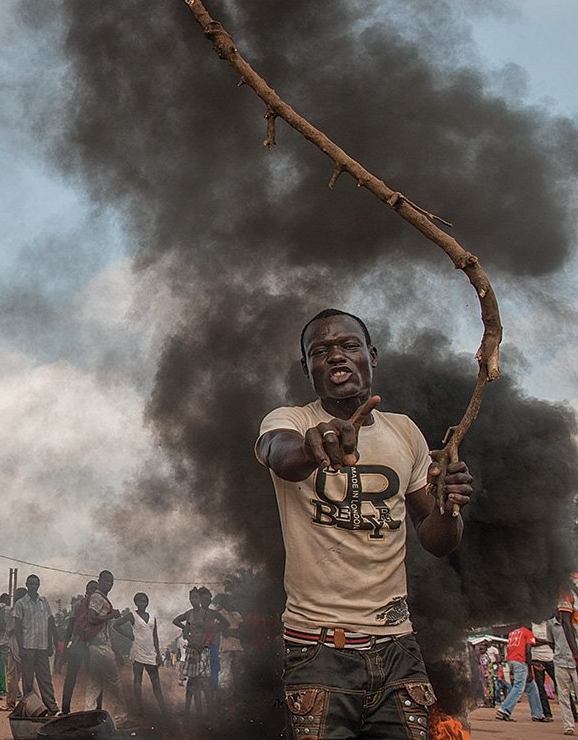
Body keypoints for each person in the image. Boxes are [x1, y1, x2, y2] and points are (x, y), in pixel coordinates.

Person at [256, 308, 474, 739]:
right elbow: (280, 455)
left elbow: (436, 539)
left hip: (399, 648)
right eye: (320, 351)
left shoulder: (405, 432)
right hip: (317, 649)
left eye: (349, 345)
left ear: (371, 355)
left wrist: (449, 507)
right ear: (307, 368)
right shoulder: (290, 422)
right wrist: (313, 447)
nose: (336, 356)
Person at [172, 586, 227, 716]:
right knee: (193, 681)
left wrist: (204, 642)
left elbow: (209, 631)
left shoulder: (206, 614)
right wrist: (185, 628)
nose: (193, 600)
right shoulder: (189, 613)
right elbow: (176, 620)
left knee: (205, 681)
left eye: (196, 597)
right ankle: (198, 713)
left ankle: (211, 712)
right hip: (192, 650)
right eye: (191, 598)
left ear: (199, 599)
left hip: (203, 649)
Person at [84, 571, 126, 722]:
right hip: (101, 646)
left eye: (112, 581)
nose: (110, 583)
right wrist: (111, 615)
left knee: (94, 683)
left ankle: (87, 714)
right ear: (100, 580)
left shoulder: (101, 598)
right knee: (114, 682)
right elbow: (91, 618)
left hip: (96, 646)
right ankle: (121, 718)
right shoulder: (97, 597)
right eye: (107, 580)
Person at [13, 574, 59, 713]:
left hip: (42, 647)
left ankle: (52, 707)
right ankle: (31, 709)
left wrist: (51, 644)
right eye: (31, 584)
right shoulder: (20, 603)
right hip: (28, 647)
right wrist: (21, 648)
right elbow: (18, 628)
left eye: (36, 584)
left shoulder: (44, 602)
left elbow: (50, 623)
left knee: (45, 679)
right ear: (27, 584)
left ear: (39, 585)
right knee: (27, 681)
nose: (34, 586)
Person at [115, 592, 165, 713]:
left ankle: (163, 708)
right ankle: (140, 708)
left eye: (144, 601)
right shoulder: (132, 615)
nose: (142, 603)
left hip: (151, 653)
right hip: (137, 651)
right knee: (138, 680)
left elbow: (155, 637)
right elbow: (116, 625)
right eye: (139, 601)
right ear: (136, 603)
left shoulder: (152, 617)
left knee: (156, 682)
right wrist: (129, 635)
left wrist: (158, 654)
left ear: (147, 602)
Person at [62, 580, 99, 714]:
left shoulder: (83, 605)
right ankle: (66, 709)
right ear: (87, 591)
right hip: (82, 645)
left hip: (85, 646)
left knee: (92, 679)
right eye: (92, 590)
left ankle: (67, 709)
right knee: (75, 678)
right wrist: (65, 646)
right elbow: (71, 625)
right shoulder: (80, 605)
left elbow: (70, 626)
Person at [497, 624, 546, 722]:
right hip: (520, 662)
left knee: (532, 686)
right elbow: (528, 650)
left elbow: (531, 643)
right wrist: (530, 669)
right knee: (519, 687)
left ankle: (537, 714)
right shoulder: (527, 632)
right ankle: (504, 710)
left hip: (512, 660)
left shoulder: (513, 632)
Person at [551, 612, 578, 735]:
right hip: (560, 661)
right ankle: (569, 726)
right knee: (563, 696)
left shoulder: (574, 620)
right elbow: (551, 642)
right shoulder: (551, 623)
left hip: (575, 662)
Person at [531, 620, 557, 722]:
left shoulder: (549, 624)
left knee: (561, 687)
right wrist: (546, 641)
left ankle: (573, 713)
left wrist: (539, 641)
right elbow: (531, 642)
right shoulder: (531, 625)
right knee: (540, 689)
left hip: (550, 658)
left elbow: (554, 642)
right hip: (536, 659)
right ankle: (547, 714)